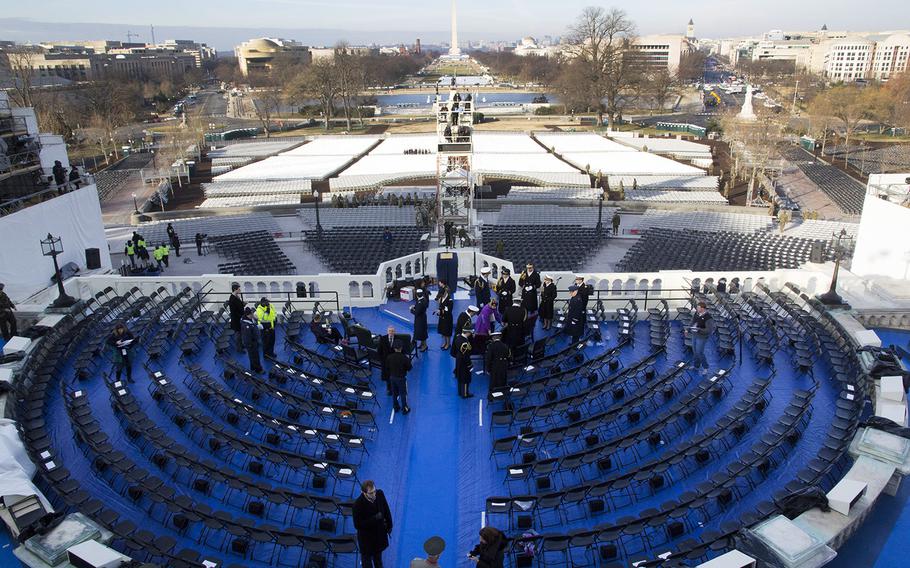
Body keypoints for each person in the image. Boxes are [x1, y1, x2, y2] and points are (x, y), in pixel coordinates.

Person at [352, 480, 393, 568]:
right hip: (366, 540)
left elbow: (386, 510)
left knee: (378, 560)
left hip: (379, 535)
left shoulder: (379, 494)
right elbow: (357, 525)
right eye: (371, 493)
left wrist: (390, 525)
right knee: (367, 563)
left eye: (374, 491)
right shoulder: (357, 505)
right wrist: (373, 519)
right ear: (363, 492)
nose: (374, 494)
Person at [685, 301, 714, 375]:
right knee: (695, 352)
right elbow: (692, 321)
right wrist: (687, 329)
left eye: (698, 308)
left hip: (702, 337)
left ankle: (705, 367)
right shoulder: (696, 313)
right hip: (695, 335)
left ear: (703, 308)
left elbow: (709, 330)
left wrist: (699, 330)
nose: (697, 309)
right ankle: (696, 366)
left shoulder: (708, 318)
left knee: (700, 352)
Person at [386, 341, 412, 414]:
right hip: (401, 379)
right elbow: (409, 368)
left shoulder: (389, 357)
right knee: (403, 394)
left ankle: (396, 407)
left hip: (392, 378)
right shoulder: (404, 358)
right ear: (401, 348)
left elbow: (387, 367)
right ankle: (404, 409)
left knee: (394, 393)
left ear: (394, 348)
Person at [485, 331, 511, 400]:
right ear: (500, 337)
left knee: (493, 382)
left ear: (493, 338)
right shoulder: (505, 346)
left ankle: (491, 397)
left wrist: (488, 369)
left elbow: (489, 359)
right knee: (503, 381)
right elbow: (509, 356)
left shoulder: (491, 346)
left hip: (495, 366)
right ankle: (503, 395)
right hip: (504, 366)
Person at [453, 323, 474, 398]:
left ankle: (460, 392)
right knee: (465, 378)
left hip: (458, 360)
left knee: (460, 377)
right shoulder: (464, 342)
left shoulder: (458, 337)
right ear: (467, 332)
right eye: (470, 333)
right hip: (464, 362)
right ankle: (465, 394)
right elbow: (465, 355)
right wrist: (470, 365)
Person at [241, 308, 264, 373]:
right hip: (251, 343)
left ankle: (253, 367)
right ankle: (258, 369)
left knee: (253, 356)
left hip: (253, 341)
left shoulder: (250, 320)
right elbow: (247, 336)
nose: (252, 315)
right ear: (249, 314)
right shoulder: (246, 325)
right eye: (251, 314)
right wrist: (250, 344)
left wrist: (256, 326)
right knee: (255, 356)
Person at [378, 325, 397, 395]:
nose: (391, 332)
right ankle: (389, 388)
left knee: (395, 376)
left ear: (394, 332)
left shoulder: (398, 339)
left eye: (392, 331)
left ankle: (395, 388)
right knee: (387, 377)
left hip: (394, 362)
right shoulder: (383, 339)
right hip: (385, 362)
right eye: (389, 331)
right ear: (387, 331)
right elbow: (379, 351)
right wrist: (382, 361)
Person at [435, 282, 454, 350]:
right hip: (442, 317)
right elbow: (441, 307)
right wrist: (439, 312)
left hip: (447, 318)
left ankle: (448, 344)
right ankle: (445, 342)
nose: (441, 296)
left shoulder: (449, 300)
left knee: (447, 332)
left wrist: (441, 310)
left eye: (442, 295)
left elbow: (449, 310)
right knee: (443, 331)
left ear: (445, 293)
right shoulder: (441, 298)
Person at [228, 284, 245, 351]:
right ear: (235, 289)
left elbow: (239, 306)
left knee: (240, 334)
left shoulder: (236, 297)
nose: (240, 290)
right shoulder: (232, 299)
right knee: (238, 335)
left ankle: (241, 345)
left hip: (239, 318)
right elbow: (234, 311)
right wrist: (241, 316)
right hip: (236, 320)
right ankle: (239, 348)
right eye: (239, 289)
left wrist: (242, 304)